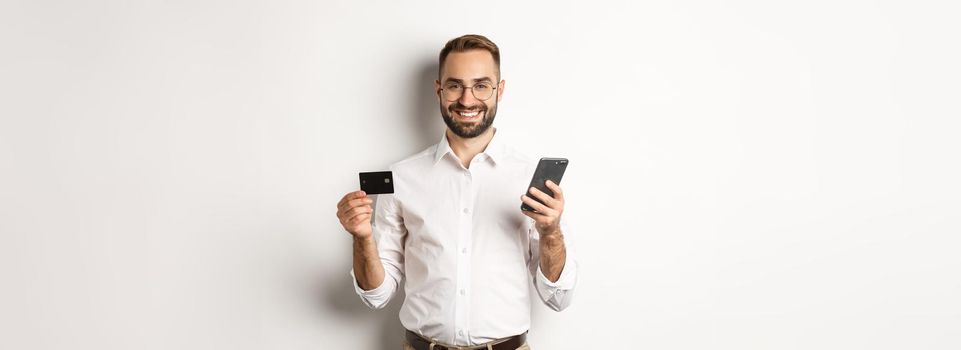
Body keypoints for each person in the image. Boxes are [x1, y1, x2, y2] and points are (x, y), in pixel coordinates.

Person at [335, 34, 578, 350]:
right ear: (439, 89)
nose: (467, 100)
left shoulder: (530, 178)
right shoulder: (401, 177)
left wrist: (551, 233)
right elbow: (376, 296)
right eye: (455, 86)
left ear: (499, 91)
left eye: (481, 85)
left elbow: (558, 297)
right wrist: (362, 238)